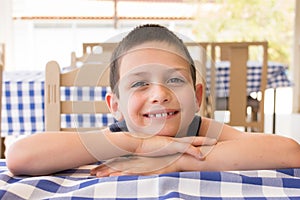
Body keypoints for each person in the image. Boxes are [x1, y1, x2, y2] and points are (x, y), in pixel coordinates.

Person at [6, 24, 300, 177]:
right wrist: (137, 144)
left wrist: (179, 162)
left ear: (197, 97)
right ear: (116, 107)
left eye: (174, 80)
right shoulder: (116, 138)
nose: (159, 94)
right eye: (139, 83)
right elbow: (19, 157)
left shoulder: (200, 131)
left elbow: (289, 152)